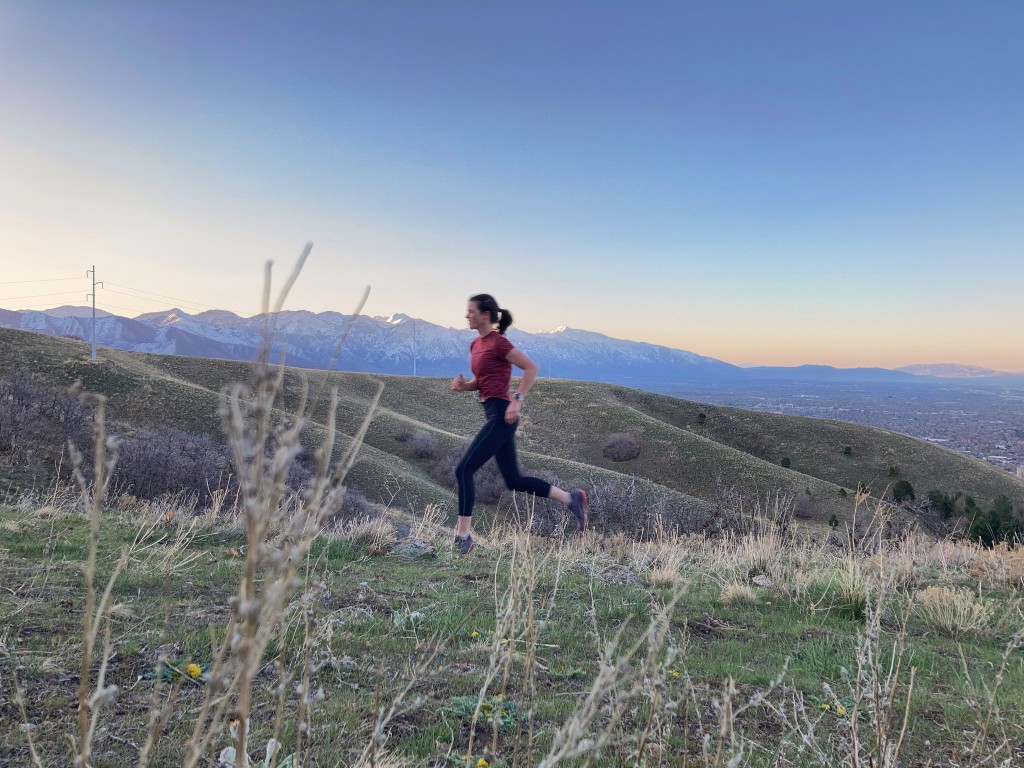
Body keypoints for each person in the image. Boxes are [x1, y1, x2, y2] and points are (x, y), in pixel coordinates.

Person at [450, 293, 588, 554]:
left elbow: (531, 368)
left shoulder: (498, 343)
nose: (466, 315)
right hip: (493, 413)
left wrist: (517, 400)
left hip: (504, 415)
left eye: (470, 311)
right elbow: (482, 380)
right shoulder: (475, 345)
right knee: (514, 480)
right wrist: (464, 386)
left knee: (464, 470)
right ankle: (572, 499)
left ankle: (464, 537)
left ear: (485, 315)